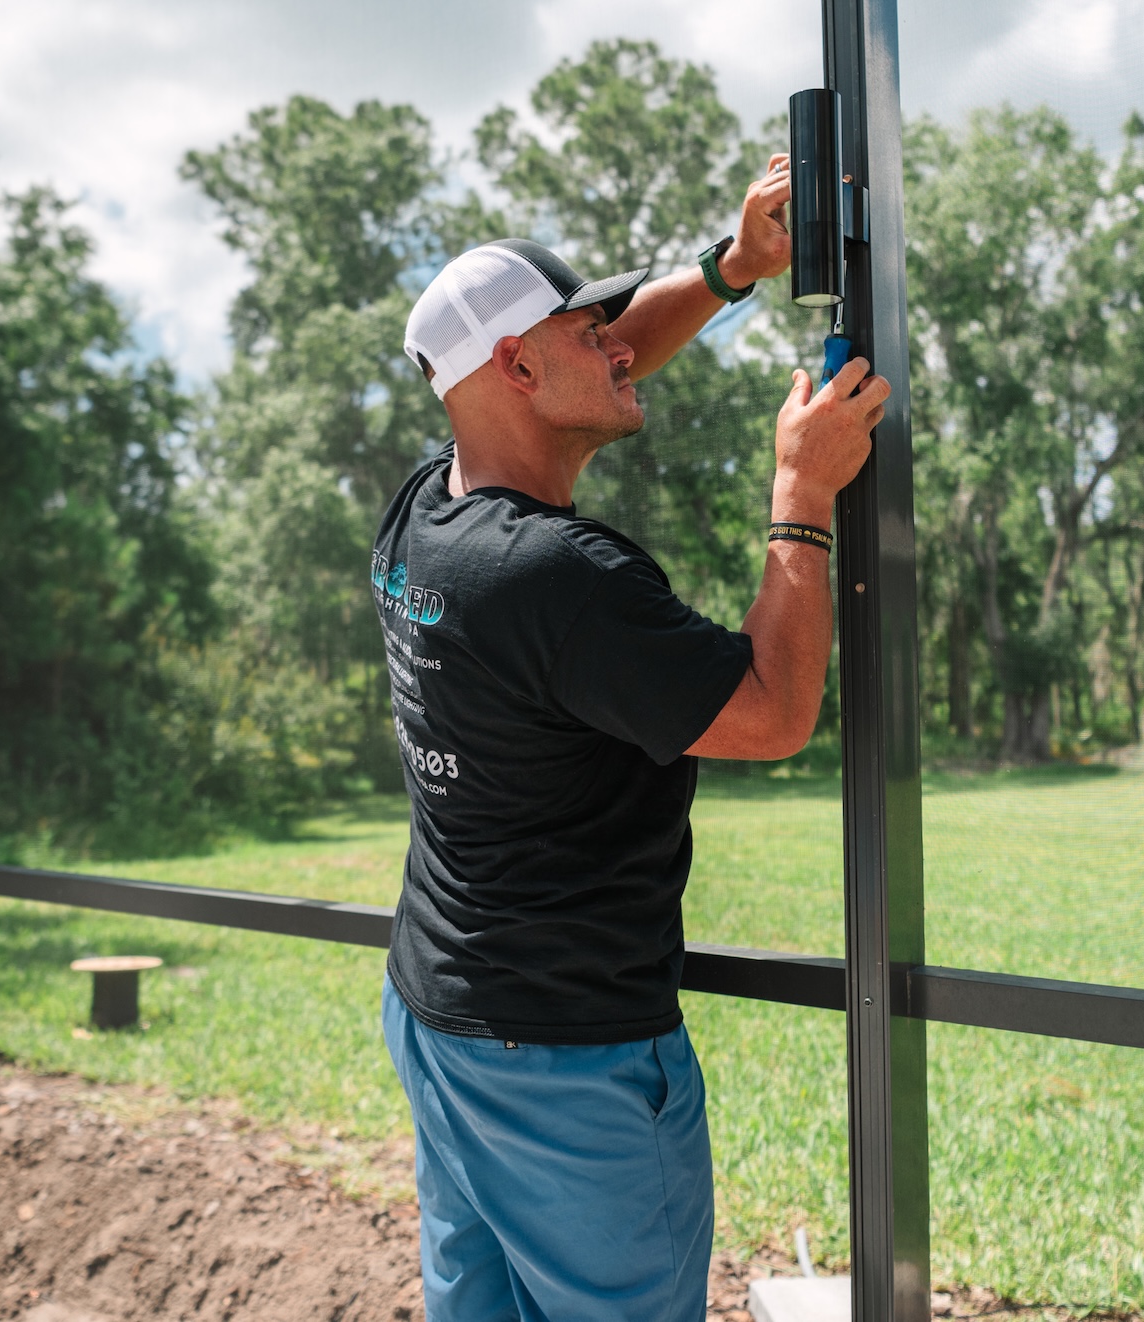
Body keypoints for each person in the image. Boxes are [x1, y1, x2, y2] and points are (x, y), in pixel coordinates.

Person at [372, 152, 889, 1322]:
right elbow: (771, 713)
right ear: (516, 365)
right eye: (589, 329)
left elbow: (584, 374)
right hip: (567, 1064)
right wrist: (802, 494)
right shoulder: (559, 578)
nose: (620, 345)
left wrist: (733, 267)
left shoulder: (425, 512)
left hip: (443, 1016)